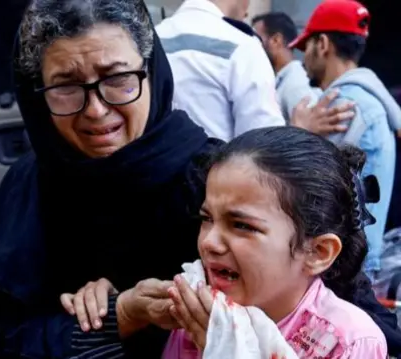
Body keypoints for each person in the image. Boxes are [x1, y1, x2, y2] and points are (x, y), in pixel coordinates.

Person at [0, 0, 401, 358]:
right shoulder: (29, 192)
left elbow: (347, 312)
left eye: (118, 79)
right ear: (35, 93)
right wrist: (120, 316)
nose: (97, 109)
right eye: (65, 86)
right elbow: (6, 335)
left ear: (151, 72)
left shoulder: (211, 176)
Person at [161, 126, 386, 358]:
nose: (209, 242)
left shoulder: (347, 342)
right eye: (207, 218)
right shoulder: (202, 316)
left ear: (317, 252)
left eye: (242, 225)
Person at [290, 0, 401, 282]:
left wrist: (298, 132)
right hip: (355, 260)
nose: (303, 60)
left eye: (306, 48)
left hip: (340, 267)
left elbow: (299, 186)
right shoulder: (370, 100)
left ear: (323, 44)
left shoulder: (341, 106)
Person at [154, 0, 350, 141]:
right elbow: (264, 151)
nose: (247, 11)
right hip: (216, 192)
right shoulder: (242, 46)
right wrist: (300, 131)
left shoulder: (151, 38)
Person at [252, 12, 322, 122]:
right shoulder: (283, 79)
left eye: (256, 40)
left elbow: (309, 132)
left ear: (276, 40)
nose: (251, 45)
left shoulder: (295, 83)